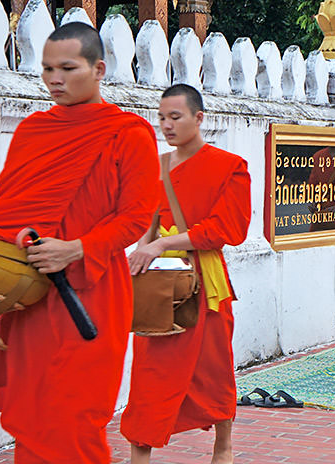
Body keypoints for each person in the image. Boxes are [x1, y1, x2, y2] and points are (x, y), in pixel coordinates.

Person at [0, 23, 161, 463]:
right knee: (33, 414)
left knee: (75, 417)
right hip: (30, 299)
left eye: (67, 68)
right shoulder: (32, 131)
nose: (54, 79)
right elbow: (7, 213)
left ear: (98, 68)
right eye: (47, 69)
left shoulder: (129, 133)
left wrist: (77, 247)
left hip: (92, 295)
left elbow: (136, 217)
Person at [120, 84, 251, 464]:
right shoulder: (155, 166)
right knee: (150, 373)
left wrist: (162, 244)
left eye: (175, 117)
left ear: (199, 118)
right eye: (161, 117)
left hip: (204, 281)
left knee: (214, 370)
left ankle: (223, 446)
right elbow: (148, 221)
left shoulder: (230, 166)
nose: (166, 125)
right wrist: (142, 252)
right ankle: (139, 454)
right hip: (159, 282)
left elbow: (228, 228)